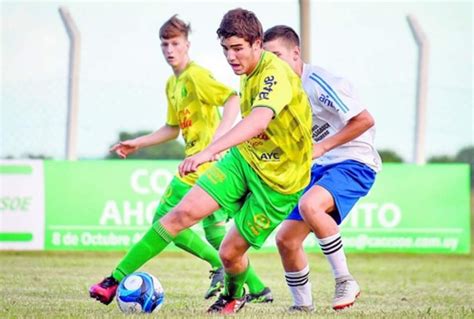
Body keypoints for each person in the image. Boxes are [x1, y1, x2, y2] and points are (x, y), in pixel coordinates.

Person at [91, 8, 313, 314]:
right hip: (244, 160)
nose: (231, 57)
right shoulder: (245, 73)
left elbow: (259, 120)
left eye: (237, 49)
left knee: (229, 253)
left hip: (280, 182)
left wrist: (209, 150)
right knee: (179, 215)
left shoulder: (274, 73)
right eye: (226, 50)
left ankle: (237, 293)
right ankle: (112, 280)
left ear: (257, 44)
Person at [263, 25, 382, 312]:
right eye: (268, 58)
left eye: (277, 55)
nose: (273, 64)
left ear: (295, 53)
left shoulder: (318, 82)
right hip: (320, 166)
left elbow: (365, 120)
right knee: (286, 239)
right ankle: (302, 307)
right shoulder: (278, 91)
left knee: (310, 205)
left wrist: (324, 147)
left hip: (354, 161)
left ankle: (345, 280)